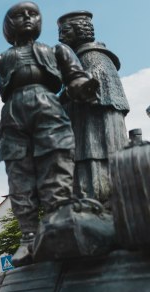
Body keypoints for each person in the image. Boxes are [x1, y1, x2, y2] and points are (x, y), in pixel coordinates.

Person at [0, 2, 97, 267]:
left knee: (57, 167)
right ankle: (29, 238)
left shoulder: (57, 51)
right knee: (20, 178)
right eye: (19, 15)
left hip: (49, 110)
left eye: (32, 14)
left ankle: (59, 226)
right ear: (7, 25)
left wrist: (84, 84)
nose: (27, 18)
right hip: (14, 116)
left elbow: (75, 78)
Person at [57, 11, 129, 205]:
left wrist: (65, 93)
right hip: (85, 127)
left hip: (95, 129)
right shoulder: (81, 59)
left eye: (65, 31)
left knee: (94, 170)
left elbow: (92, 81)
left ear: (80, 31)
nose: (60, 37)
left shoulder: (92, 55)